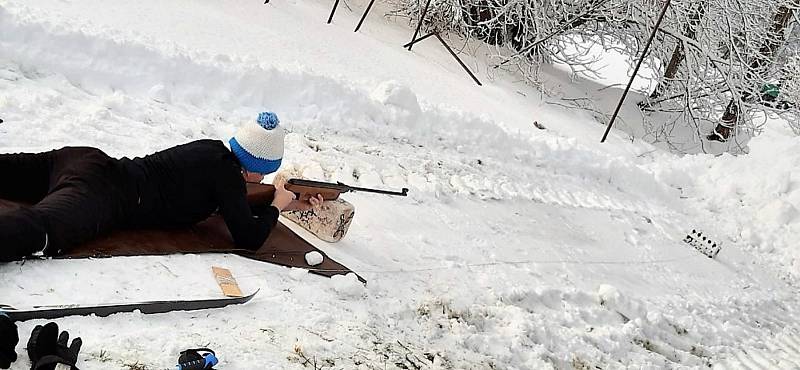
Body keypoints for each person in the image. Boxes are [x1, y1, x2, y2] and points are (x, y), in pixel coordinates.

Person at [0, 111, 323, 262]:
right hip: (101, 194)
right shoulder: (226, 177)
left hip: (83, 159)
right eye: (265, 174)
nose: (265, 181)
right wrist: (277, 207)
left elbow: (233, 202)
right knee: (38, 231)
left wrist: (285, 202)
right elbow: (250, 237)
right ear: (255, 168)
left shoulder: (212, 150)